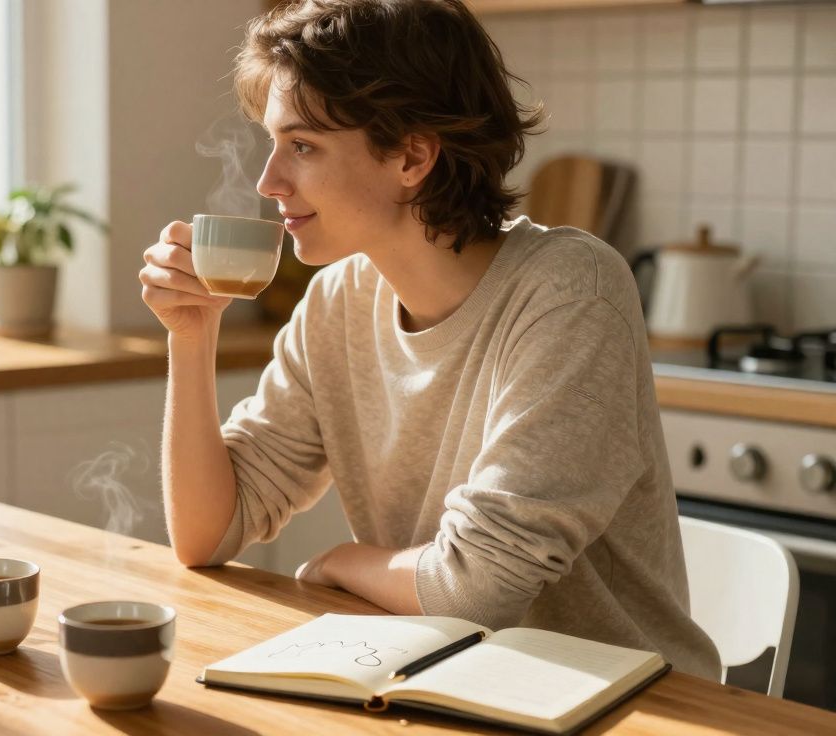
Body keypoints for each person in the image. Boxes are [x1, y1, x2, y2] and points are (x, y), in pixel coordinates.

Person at [137, 0, 721, 679]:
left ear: (411, 156)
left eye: (302, 146)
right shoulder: (337, 303)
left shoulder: (570, 292)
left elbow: (479, 588)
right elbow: (208, 533)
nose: (269, 182)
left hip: (627, 704)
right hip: (446, 681)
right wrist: (191, 333)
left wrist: (341, 563)